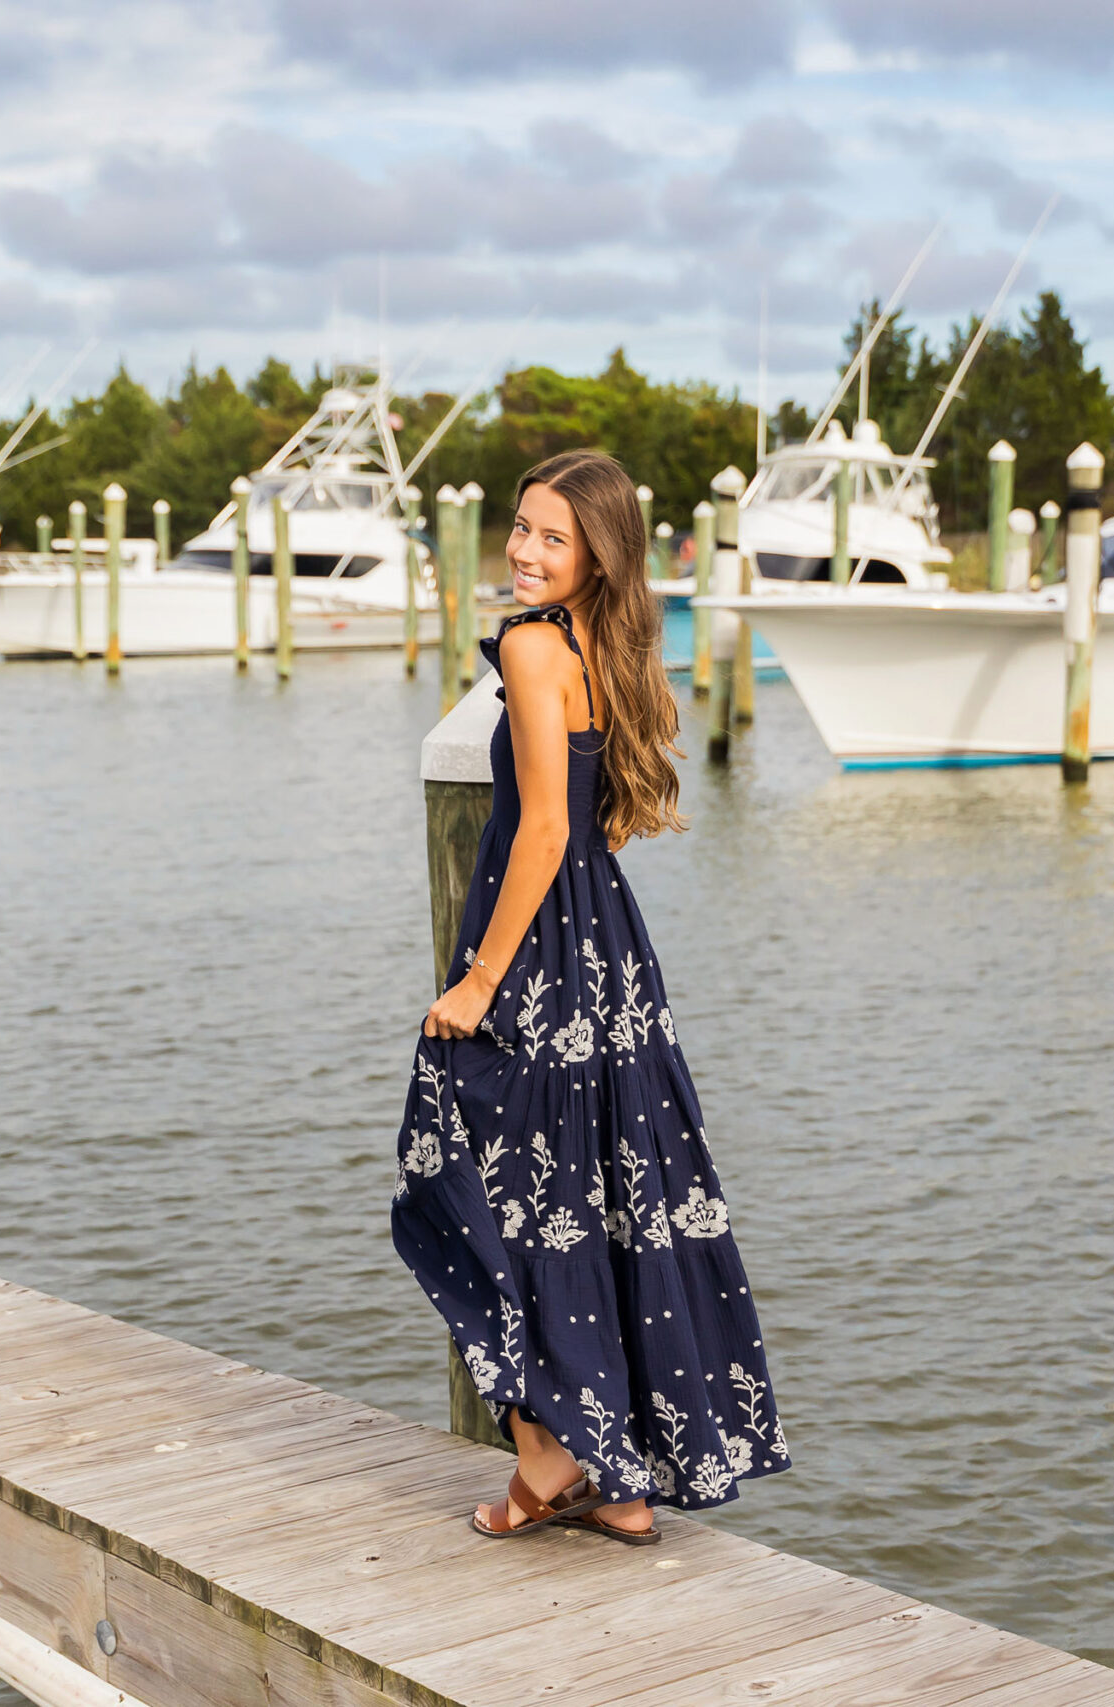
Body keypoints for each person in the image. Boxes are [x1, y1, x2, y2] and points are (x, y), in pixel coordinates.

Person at [390, 449, 789, 1544]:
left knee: (469, 1175)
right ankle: (618, 1481)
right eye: (520, 526)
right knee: (608, 1185)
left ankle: (549, 1451)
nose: (524, 550)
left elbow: (545, 827)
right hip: (606, 949)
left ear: (597, 555)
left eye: (552, 537)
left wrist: (479, 979)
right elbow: (592, 822)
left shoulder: (531, 646)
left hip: (535, 954)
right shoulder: (600, 646)